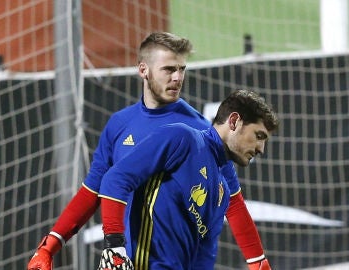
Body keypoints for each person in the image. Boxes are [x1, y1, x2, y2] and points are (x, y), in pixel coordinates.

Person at [28, 32, 273, 270]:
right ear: (143, 70)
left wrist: (257, 261)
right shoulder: (119, 124)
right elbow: (93, 190)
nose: (178, 78)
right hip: (122, 257)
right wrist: (49, 246)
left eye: (182, 69)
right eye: (169, 69)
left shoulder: (196, 130)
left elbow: (232, 202)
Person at [97, 89, 279, 270]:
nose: (261, 149)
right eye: (259, 136)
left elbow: (203, 258)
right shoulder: (182, 139)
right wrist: (114, 245)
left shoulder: (222, 192)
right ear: (233, 121)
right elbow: (116, 179)